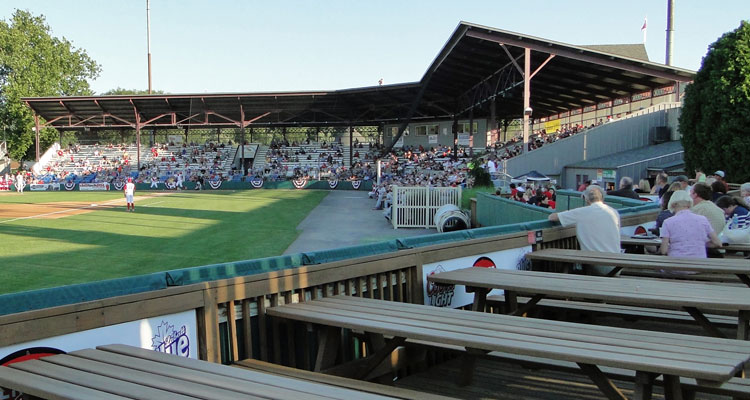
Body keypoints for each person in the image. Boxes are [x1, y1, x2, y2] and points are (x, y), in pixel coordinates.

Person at [548, 185, 620, 275]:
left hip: (596, 266)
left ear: (586, 199)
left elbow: (552, 217)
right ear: (602, 197)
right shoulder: (614, 212)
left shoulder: (581, 212)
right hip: (617, 265)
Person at [659, 190, 722, 258]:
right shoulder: (703, 219)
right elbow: (718, 243)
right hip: (700, 264)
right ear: (689, 204)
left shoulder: (668, 222)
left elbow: (664, 251)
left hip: (676, 263)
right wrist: (699, 244)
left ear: (673, 204)